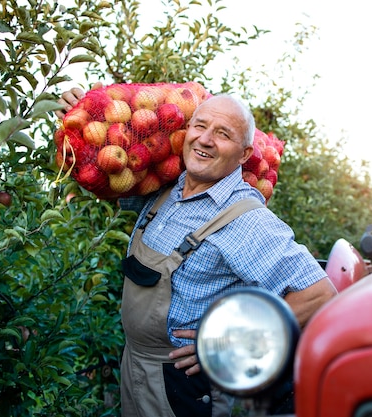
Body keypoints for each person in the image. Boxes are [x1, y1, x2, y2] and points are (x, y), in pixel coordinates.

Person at [57, 86, 338, 417]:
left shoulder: (247, 220)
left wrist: (230, 345)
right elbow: (105, 178)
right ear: (185, 131)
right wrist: (80, 115)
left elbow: (321, 294)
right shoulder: (165, 190)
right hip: (135, 364)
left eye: (223, 134)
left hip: (183, 387)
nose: (205, 139)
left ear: (245, 154)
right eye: (200, 126)